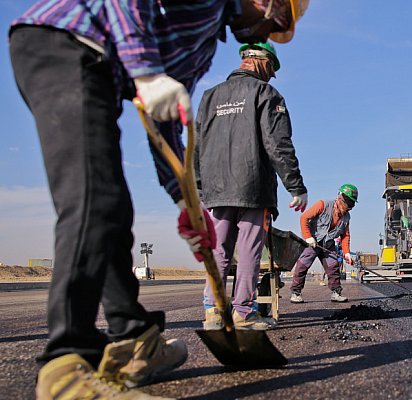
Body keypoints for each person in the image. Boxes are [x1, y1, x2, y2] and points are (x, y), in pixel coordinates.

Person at [8, 1, 308, 398]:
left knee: (113, 210)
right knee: (94, 201)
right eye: (277, 22)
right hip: (64, 44)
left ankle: (135, 338)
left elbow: (164, 119)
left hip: (99, 71)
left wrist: (184, 200)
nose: (269, 33)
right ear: (265, 2)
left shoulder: (203, 44)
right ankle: (65, 366)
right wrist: (146, 72)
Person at [195, 41, 307, 331]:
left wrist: (199, 186)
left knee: (218, 249)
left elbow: (196, 146)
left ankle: (213, 312)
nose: (271, 75)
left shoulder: (209, 97)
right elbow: (278, 144)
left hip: (216, 190)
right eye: (271, 69)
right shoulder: (265, 93)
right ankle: (243, 312)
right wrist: (295, 186)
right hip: (252, 186)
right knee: (248, 251)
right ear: (262, 61)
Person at [290, 184, 358, 303]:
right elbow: (304, 218)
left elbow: (345, 236)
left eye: (351, 204)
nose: (348, 207)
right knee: (302, 265)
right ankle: (296, 293)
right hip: (313, 242)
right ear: (340, 198)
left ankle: (336, 293)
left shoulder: (346, 217)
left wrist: (346, 253)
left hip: (328, 244)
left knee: (333, 267)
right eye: (347, 203)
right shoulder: (322, 205)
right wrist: (308, 237)